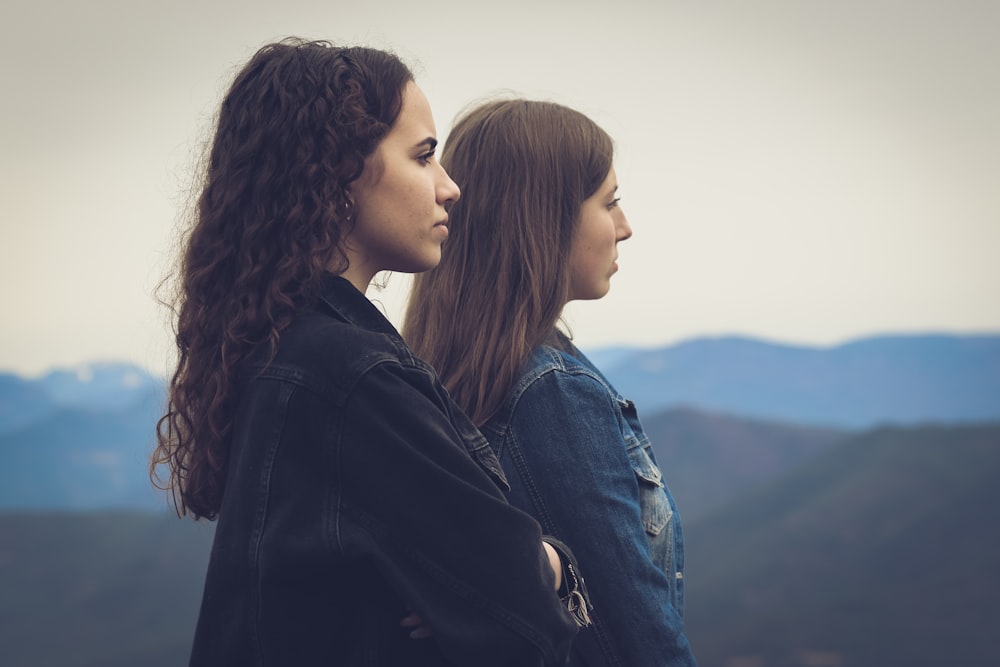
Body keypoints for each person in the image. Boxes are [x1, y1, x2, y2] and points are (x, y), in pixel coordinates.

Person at [150, 40, 589, 666]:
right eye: (424, 156)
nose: (450, 188)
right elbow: (520, 617)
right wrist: (551, 562)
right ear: (339, 171)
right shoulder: (355, 379)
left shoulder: (279, 347)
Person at [405, 98, 697, 666]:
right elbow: (630, 625)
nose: (625, 227)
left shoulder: (440, 372)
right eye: (608, 203)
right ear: (542, 218)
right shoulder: (551, 392)